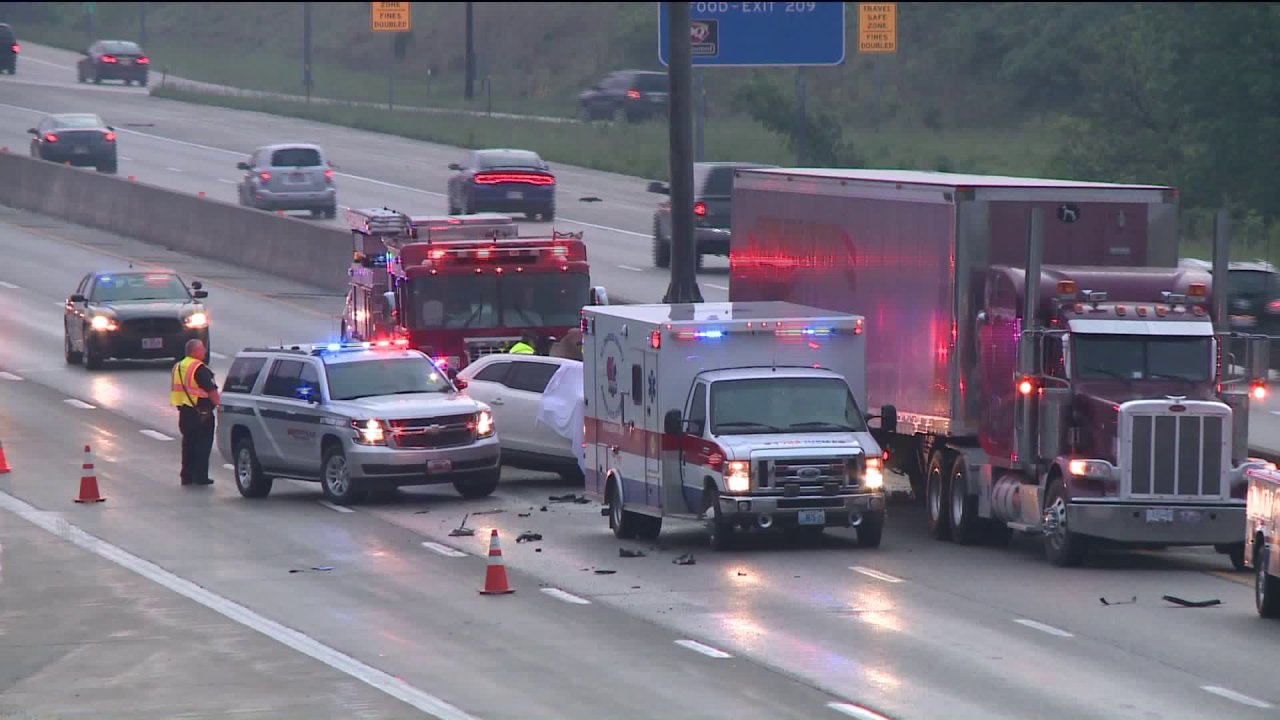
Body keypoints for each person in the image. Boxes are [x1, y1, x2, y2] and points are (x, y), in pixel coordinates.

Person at [171, 338, 220, 486]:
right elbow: (211, 390)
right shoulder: (199, 368)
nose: (204, 351)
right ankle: (200, 476)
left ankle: (186, 476)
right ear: (195, 351)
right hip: (202, 414)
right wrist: (220, 407)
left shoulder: (179, 366)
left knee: (188, 445)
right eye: (202, 349)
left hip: (185, 412)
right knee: (202, 445)